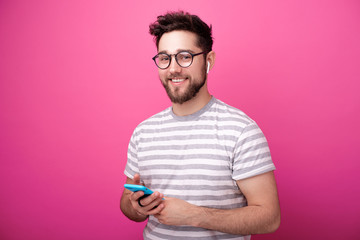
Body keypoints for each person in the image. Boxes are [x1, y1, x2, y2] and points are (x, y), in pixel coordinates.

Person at [120, 11, 280, 240]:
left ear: (208, 61)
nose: (173, 68)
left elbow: (269, 217)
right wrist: (136, 206)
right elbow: (127, 205)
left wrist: (194, 216)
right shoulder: (143, 132)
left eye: (184, 56)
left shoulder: (241, 130)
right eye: (165, 58)